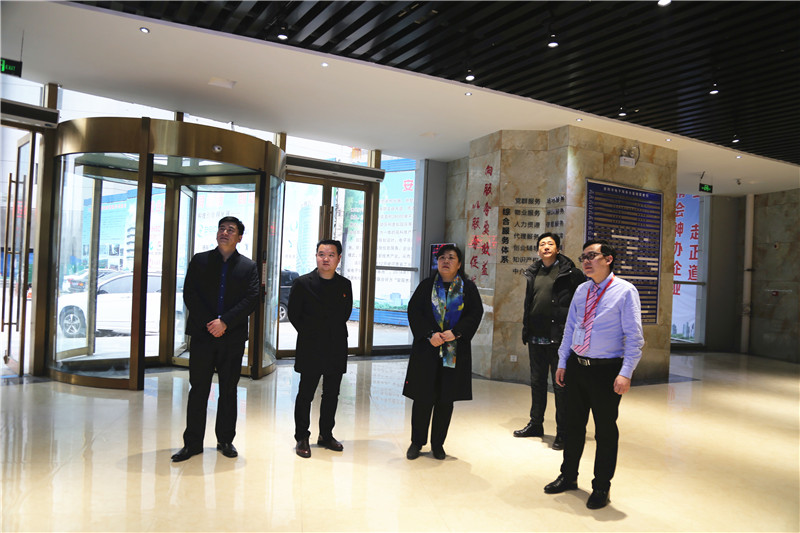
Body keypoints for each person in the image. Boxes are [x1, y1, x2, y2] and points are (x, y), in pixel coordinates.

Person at [543, 239, 644, 509]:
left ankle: (601, 486)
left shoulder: (625, 291)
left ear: (608, 259)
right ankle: (568, 476)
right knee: (573, 426)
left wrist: (626, 372)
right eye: (583, 257)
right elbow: (570, 328)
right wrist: (563, 361)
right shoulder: (582, 290)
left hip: (606, 371)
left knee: (605, 431)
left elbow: (634, 337)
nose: (586, 261)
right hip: (577, 366)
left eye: (592, 256)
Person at [171, 216, 259, 462]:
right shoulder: (200, 260)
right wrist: (211, 323)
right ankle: (192, 444)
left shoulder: (248, 267)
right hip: (203, 335)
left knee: (228, 390)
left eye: (231, 230)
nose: (225, 232)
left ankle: (225, 440)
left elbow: (251, 298)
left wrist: (225, 322)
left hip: (232, 337)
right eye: (221, 228)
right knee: (198, 389)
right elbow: (190, 294)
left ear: (239, 237)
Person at [403, 244, 483, 460]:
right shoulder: (426, 286)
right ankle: (416, 442)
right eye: (442, 258)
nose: (446, 261)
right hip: (427, 349)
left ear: (459, 263)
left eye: (451, 257)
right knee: (422, 397)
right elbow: (414, 312)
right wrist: (429, 334)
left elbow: (475, 314)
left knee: (446, 399)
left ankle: (438, 445)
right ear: (437, 262)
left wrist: (456, 333)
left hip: (453, 351)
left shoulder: (468, 288)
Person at [515, 233, 585, 449]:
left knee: (560, 386)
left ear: (558, 248)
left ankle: (563, 432)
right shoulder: (534, 271)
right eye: (542, 244)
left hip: (559, 338)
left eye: (550, 244)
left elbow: (582, 302)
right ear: (538, 250)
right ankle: (536, 423)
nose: (546, 247)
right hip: (536, 337)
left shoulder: (571, 273)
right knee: (536, 382)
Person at [290, 239, 353, 458]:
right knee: (305, 393)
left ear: (339, 258)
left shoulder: (345, 284)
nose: (325, 259)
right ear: (316, 256)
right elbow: (294, 314)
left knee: (332, 394)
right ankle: (301, 436)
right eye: (321, 254)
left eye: (331, 255)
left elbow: (345, 313)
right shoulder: (302, 283)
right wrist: (311, 332)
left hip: (336, 345)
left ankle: (326, 434)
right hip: (310, 345)